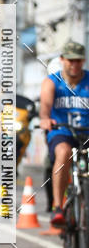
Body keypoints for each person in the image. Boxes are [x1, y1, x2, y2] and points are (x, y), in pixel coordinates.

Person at [39, 38, 89, 227]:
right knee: (63, 152)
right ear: (62, 60)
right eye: (70, 60)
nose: (74, 64)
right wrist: (45, 118)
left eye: (78, 60)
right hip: (62, 131)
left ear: (83, 61)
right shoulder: (53, 82)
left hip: (86, 132)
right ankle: (58, 207)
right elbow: (45, 105)